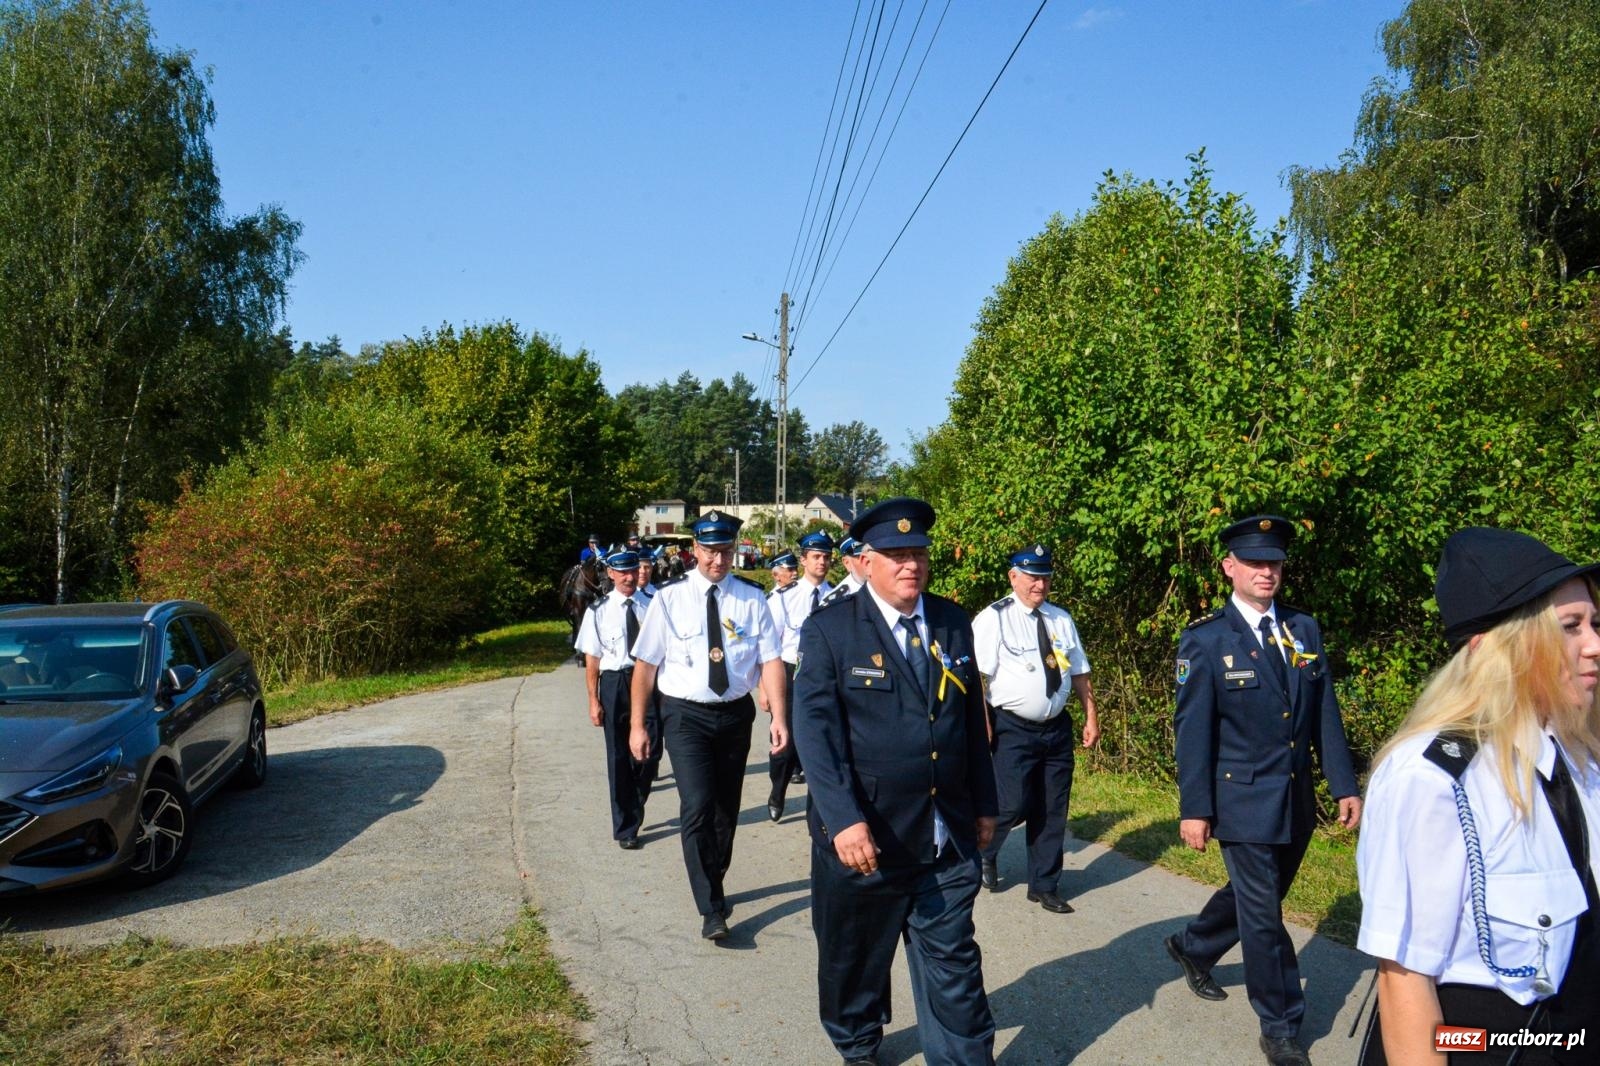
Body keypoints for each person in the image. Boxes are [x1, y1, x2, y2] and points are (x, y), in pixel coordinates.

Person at [1356, 528, 1600, 1066]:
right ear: (1498, 648)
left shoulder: (1581, 762)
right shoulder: (1434, 779)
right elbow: (1404, 984)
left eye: (1595, 623)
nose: (1595, 645)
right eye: (1570, 627)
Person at [792, 497, 999, 1066]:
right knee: (855, 962)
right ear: (865, 561)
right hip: (868, 840)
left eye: (918, 554)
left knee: (955, 964)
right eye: (896, 555)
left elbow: (969, 723)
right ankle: (859, 1047)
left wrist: (985, 803)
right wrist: (844, 819)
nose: (911, 565)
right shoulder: (831, 630)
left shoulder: (954, 621)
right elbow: (817, 735)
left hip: (944, 836)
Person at [1166, 514, 1361, 1066]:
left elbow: (1325, 710)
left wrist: (1342, 783)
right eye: (1254, 562)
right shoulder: (1204, 641)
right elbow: (1194, 732)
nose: (1266, 571)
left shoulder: (1304, 629)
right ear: (1230, 567)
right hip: (1240, 799)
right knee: (1264, 917)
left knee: (1263, 898)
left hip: (1295, 797)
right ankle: (1280, 1023)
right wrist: (1195, 808)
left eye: (1273, 562)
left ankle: (1194, 944)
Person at [629, 510, 788, 941]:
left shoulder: (752, 599)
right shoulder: (668, 598)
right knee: (697, 805)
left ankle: (712, 878)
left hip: (735, 715)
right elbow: (645, 666)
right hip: (685, 715)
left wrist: (779, 717)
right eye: (710, 551)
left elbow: (770, 659)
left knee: (725, 811)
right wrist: (638, 726)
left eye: (725, 551)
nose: (718, 560)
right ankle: (711, 907)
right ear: (694, 550)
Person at [974, 544, 1100, 913]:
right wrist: (981, 724)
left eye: (1044, 576)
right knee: (1009, 804)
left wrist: (1091, 716)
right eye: (1031, 576)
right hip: (1010, 727)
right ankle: (984, 851)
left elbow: (1079, 671)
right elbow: (977, 677)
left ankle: (1044, 884)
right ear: (1013, 576)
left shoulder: (1060, 619)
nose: (1039, 584)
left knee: (1052, 807)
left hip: (1055, 727)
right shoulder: (994, 618)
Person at [574, 547, 660, 850]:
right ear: (610, 574)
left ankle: (635, 801)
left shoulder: (653, 605)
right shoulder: (598, 611)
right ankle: (626, 827)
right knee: (618, 756)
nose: (628, 576)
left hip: (650, 681)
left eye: (633, 570)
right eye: (621, 571)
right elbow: (592, 659)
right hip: (616, 683)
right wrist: (593, 700)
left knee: (652, 752)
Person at [766, 531, 835, 821]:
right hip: (790, 672)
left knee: (823, 742)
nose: (822, 562)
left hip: (825, 675)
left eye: (827, 557)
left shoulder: (839, 596)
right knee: (785, 741)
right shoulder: (784, 598)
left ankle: (817, 806)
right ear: (804, 560)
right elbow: (769, 647)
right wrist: (765, 689)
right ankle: (777, 791)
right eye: (816, 557)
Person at [818, 536, 866, 606]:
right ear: (847, 563)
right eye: (861, 557)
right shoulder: (834, 603)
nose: (869, 560)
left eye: (872, 554)